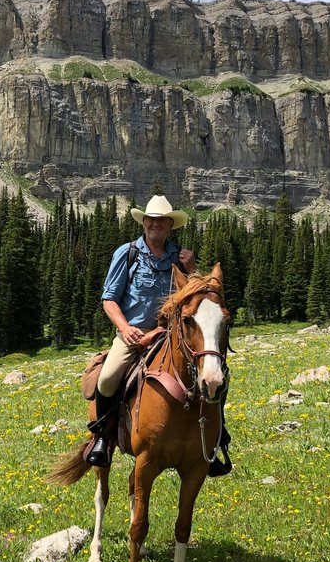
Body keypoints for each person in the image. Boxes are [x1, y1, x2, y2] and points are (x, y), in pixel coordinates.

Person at [85, 195, 231, 477]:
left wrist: (190, 270)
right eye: (150, 220)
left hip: (170, 335)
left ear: (169, 225)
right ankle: (102, 437)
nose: (155, 225)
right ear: (144, 223)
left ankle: (216, 437)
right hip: (134, 336)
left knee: (217, 374)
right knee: (107, 377)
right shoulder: (126, 254)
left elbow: (195, 300)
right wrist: (126, 329)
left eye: (161, 221)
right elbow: (109, 299)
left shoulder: (181, 257)